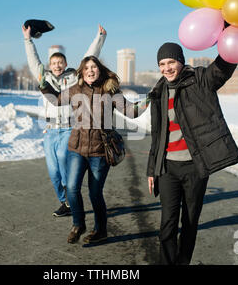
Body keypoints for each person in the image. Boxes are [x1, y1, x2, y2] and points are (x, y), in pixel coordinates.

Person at [146, 42, 238, 265]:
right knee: (167, 225)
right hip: (168, 168)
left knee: (190, 222)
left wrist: (232, 34)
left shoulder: (199, 79)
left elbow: (222, 68)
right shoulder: (158, 91)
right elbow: (157, 135)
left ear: (181, 61)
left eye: (171, 62)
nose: (167, 68)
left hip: (194, 167)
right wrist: (152, 169)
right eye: (162, 64)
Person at [40, 56, 149, 244]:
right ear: (82, 72)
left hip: (100, 150)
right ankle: (78, 224)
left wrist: (148, 99)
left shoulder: (109, 91)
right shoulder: (75, 90)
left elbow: (132, 111)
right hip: (77, 148)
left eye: (94, 67)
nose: (90, 70)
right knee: (72, 188)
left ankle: (101, 229)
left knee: (95, 193)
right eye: (87, 68)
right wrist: (44, 85)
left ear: (99, 70)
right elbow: (57, 101)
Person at [22, 24, 107, 217]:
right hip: (50, 130)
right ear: (50, 65)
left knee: (62, 161)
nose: (57, 65)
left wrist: (99, 38)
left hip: (68, 128)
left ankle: (71, 198)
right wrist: (28, 39)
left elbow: (88, 58)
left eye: (61, 62)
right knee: (53, 172)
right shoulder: (44, 76)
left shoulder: (73, 78)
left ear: (66, 63)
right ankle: (65, 202)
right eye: (54, 63)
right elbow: (32, 59)